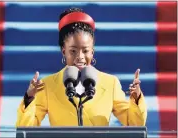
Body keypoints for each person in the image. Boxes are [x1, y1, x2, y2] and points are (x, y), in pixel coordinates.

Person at [16, 7, 147, 127]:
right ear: (64, 52)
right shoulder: (47, 85)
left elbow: (134, 124)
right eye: (73, 51)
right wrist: (29, 98)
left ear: (92, 52)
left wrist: (136, 98)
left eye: (85, 50)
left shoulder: (110, 83)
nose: (80, 56)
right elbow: (26, 129)